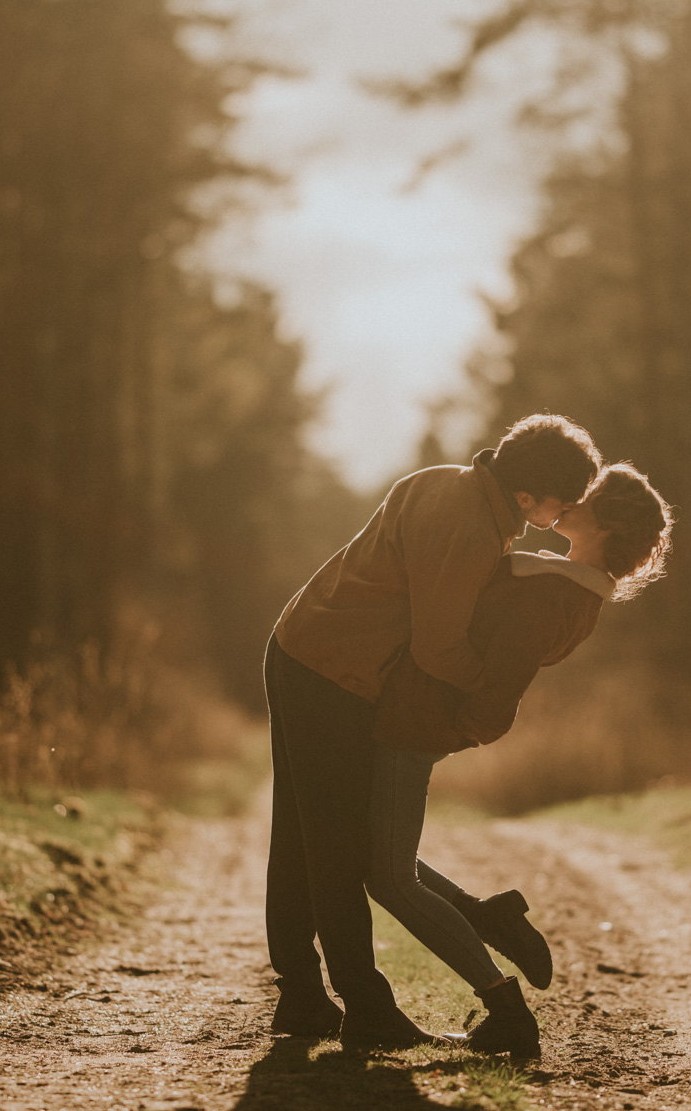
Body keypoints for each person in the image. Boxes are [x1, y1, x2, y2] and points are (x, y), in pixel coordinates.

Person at [264, 414, 603, 1047]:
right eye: (564, 501)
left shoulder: (448, 482)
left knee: (301, 832)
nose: (567, 513)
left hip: (301, 646)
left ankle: (303, 998)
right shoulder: (471, 530)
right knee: (336, 845)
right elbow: (439, 649)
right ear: (528, 496)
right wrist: (491, 687)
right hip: (334, 674)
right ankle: (363, 1006)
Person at [365, 463, 674, 1059]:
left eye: (589, 496)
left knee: (390, 878)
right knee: (377, 855)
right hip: (415, 714)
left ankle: (505, 1007)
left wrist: (455, 724)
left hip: (417, 721)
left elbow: (500, 687)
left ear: (606, 524)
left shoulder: (555, 591)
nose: (573, 498)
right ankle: (490, 918)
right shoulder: (561, 582)